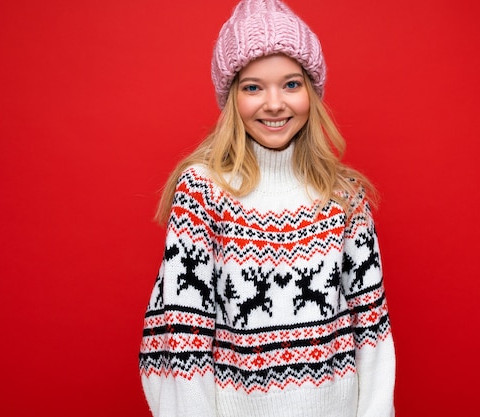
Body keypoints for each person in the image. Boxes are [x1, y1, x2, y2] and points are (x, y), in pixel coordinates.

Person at [139, 0, 396, 416]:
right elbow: (181, 337)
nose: (274, 103)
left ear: (311, 92)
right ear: (231, 98)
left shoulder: (344, 197)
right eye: (253, 87)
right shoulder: (204, 192)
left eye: (291, 84)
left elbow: (374, 333)